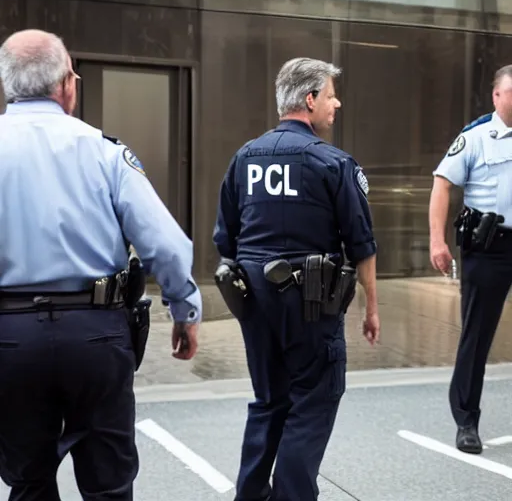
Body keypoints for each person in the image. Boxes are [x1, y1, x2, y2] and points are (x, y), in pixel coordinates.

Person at [0, 29, 201, 501]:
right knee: (108, 484)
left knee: (27, 480)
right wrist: (184, 309)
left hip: (9, 337)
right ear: (66, 85)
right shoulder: (105, 152)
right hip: (95, 333)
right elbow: (165, 245)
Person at [213, 57, 380, 501]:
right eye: (330, 94)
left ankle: (250, 494)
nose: (336, 103)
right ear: (309, 99)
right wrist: (372, 309)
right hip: (311, 308)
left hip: (255, 305)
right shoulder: (333, 163)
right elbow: (362, 245)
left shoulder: (244, 158)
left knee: (269, 401)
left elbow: (224, 238)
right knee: (312, 402)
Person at [429, 64, 512, 454]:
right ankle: (466, 421)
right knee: (476, 336)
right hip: (488, 248)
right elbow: (442, 184)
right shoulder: (476, 137)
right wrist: (436, 241)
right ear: (496, 96)